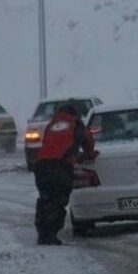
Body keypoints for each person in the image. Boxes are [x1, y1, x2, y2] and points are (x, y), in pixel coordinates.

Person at [33, 102, 97, 245]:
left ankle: (42, 233)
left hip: (41, 166)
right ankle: (51, 235)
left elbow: (52, 145)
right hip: (60, 167)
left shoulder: (51, 125)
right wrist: (89, 154)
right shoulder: (76, 124)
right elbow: (88, 143)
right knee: (58, 200)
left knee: (45, 198)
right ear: (75, 114)